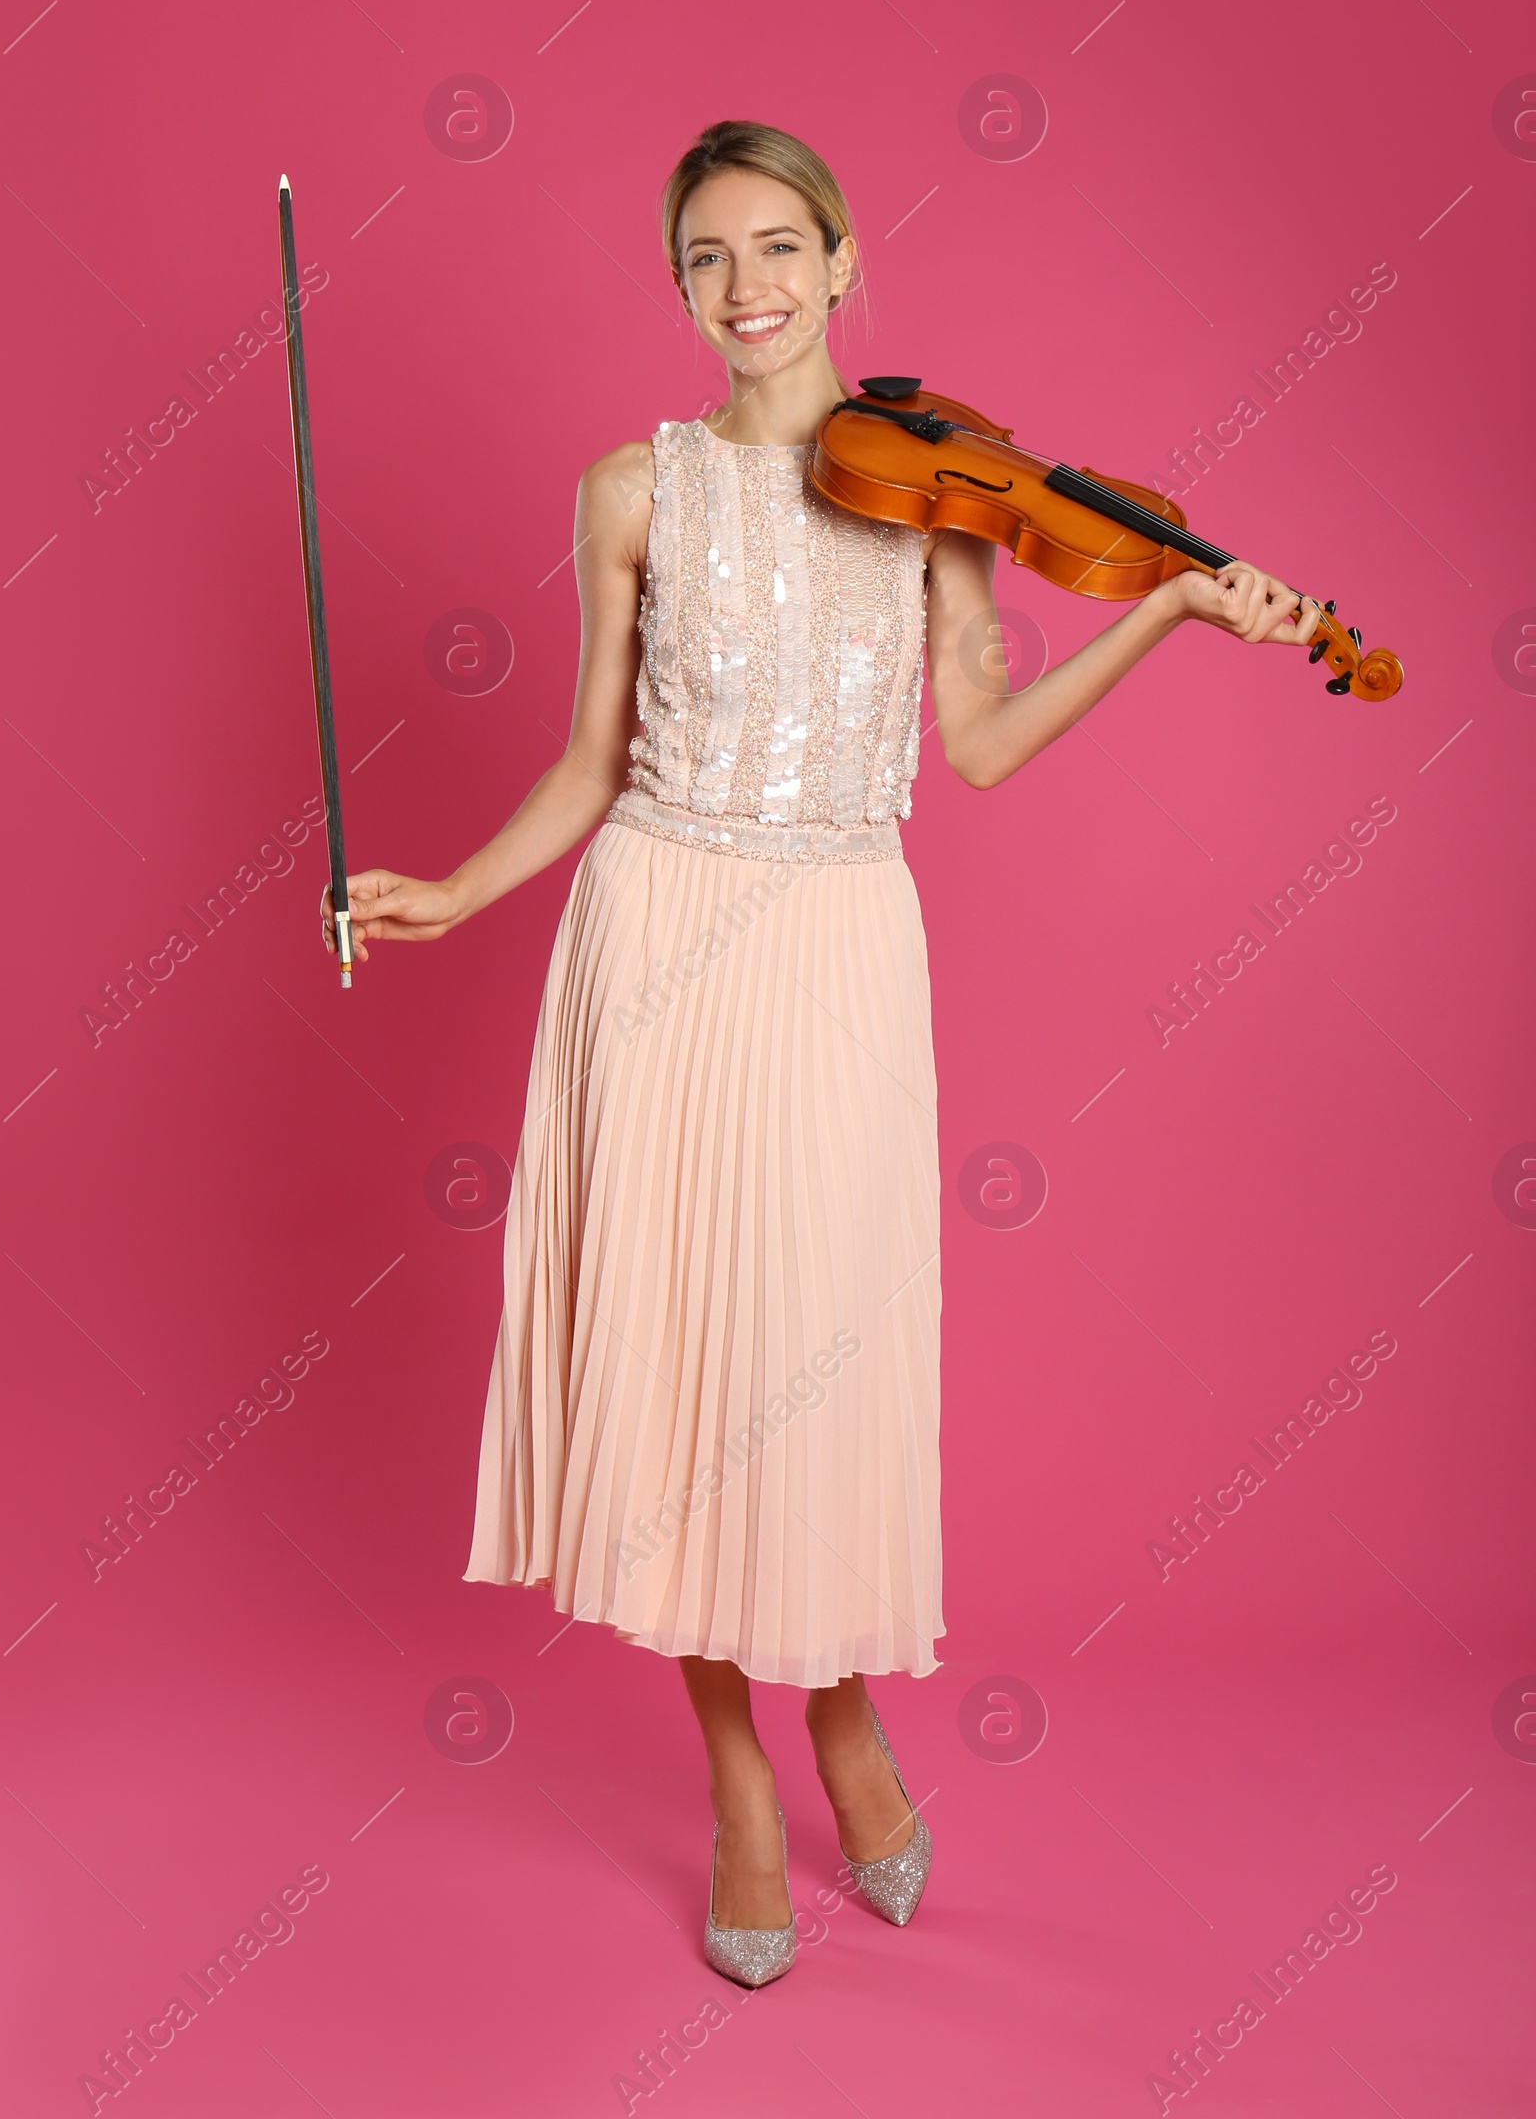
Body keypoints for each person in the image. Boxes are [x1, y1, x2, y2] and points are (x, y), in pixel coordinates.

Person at [321, 120, 1324, 1986]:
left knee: (818, 1370)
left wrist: (1175, 602)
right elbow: (590, 757)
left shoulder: (934, 491)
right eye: (708, 257)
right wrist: (461, 890)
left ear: (849, 259)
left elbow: (989, 741)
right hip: (660, 934)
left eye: (781, 245)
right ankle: (743, 1785)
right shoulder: (634, 488)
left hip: (843, 940)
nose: (749, 285)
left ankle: (848, 1719)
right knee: (693, 1381)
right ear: (681, 287)